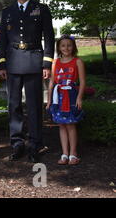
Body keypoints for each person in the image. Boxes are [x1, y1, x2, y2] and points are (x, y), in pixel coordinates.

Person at [0, 0, 55, 163]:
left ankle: (35, 144)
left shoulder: (41, 9)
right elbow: (2, 39)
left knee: (34, 105)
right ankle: (17, 144)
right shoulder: (7, 11)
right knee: (13, 105)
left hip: (33, 60)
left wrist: (47, 62)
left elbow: (49, 36)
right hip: (13, 61)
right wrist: (2, 62)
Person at [46, 35, 85, 165]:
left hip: (71, 95)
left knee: (71, 124)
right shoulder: (55, 62)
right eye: (63, 45)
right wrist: (50, 99)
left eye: (69, 45)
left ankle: (73, 154)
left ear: (73, 46)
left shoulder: (77, 61)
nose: (66, 48)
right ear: (59, 47)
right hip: (59, 97)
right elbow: (52, 81)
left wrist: (79, 97)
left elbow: (83, 81)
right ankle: (64, 154)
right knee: (61, 125)